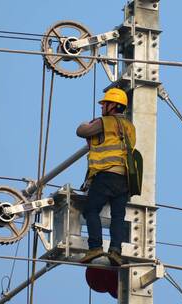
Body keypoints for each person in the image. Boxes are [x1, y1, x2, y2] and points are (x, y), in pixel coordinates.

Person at [77, 88, 136, 266]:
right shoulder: (130, 127)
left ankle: (95, 246)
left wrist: (85, 124)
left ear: (113, 106)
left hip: (106, 175)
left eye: (105, 104)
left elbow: (82, 131)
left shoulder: (106, 122)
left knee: (91, 210)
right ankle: (115, 251)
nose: (103, 107)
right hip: (124, 179)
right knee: (118, 216)